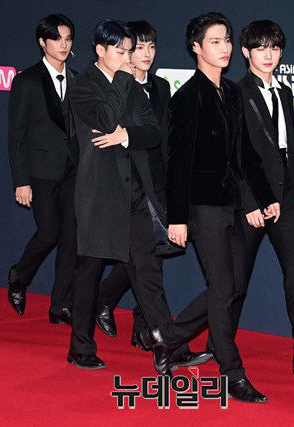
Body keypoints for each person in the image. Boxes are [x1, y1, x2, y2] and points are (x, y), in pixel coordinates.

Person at [67, 20, 209, 372]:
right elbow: (104, 117)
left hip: (134, 193)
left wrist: (125, 135)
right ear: (100, 50)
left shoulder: (130, 83)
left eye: (130, 51)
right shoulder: (83, 84)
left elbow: (152, 132)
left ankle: (171, 346)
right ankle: (80, 347)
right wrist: (120, 81)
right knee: (89, 272)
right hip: (99, 193)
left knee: (148, 274)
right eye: (121, 51)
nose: (128, 57)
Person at [161, 12, 278, 403]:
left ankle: (167, 337)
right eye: (215, 41)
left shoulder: (231, 92)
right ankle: (232, 372)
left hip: (231, 204)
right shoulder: (186, 98)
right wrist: (177, 218)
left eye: (226, 40)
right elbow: (177, 163)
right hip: (201, 207)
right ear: (196, 47)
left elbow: (245, 153)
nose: (224, 47)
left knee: (233, 286)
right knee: (224, 288)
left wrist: (266, 196)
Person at [95, 20, 193, 356]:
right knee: (146, 261)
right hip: (129, 184)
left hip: (158, 180)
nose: (146, 53)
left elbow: (163, 136)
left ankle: (131, 321)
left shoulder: (161, 86)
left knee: (148, 259)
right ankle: (156, 335)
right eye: (138, 47)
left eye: (151, 46)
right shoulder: (114, 88)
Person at [235, 20, 294, 375]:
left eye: (274, 47)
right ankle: (218, 345)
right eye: (260, 48)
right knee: (234, 282)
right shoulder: (235, 93)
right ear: (246, 52)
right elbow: (234, 155)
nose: (268, 54)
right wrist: (248, 202)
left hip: (286, 196)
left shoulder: (285, 92)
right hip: (252, 200)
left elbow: (284, 149)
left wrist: (289, 190)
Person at [6, 14, 78, 326]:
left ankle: (60, 304)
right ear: (42, 42)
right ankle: (19, 275)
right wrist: (21, 181)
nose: (63, 45)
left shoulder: (78, 80)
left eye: (68, 38)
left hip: (73, 170)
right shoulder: (27, 81)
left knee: (72, 238)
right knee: (48, 232)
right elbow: (16, 135)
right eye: (56, 38)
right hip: (40, 171)